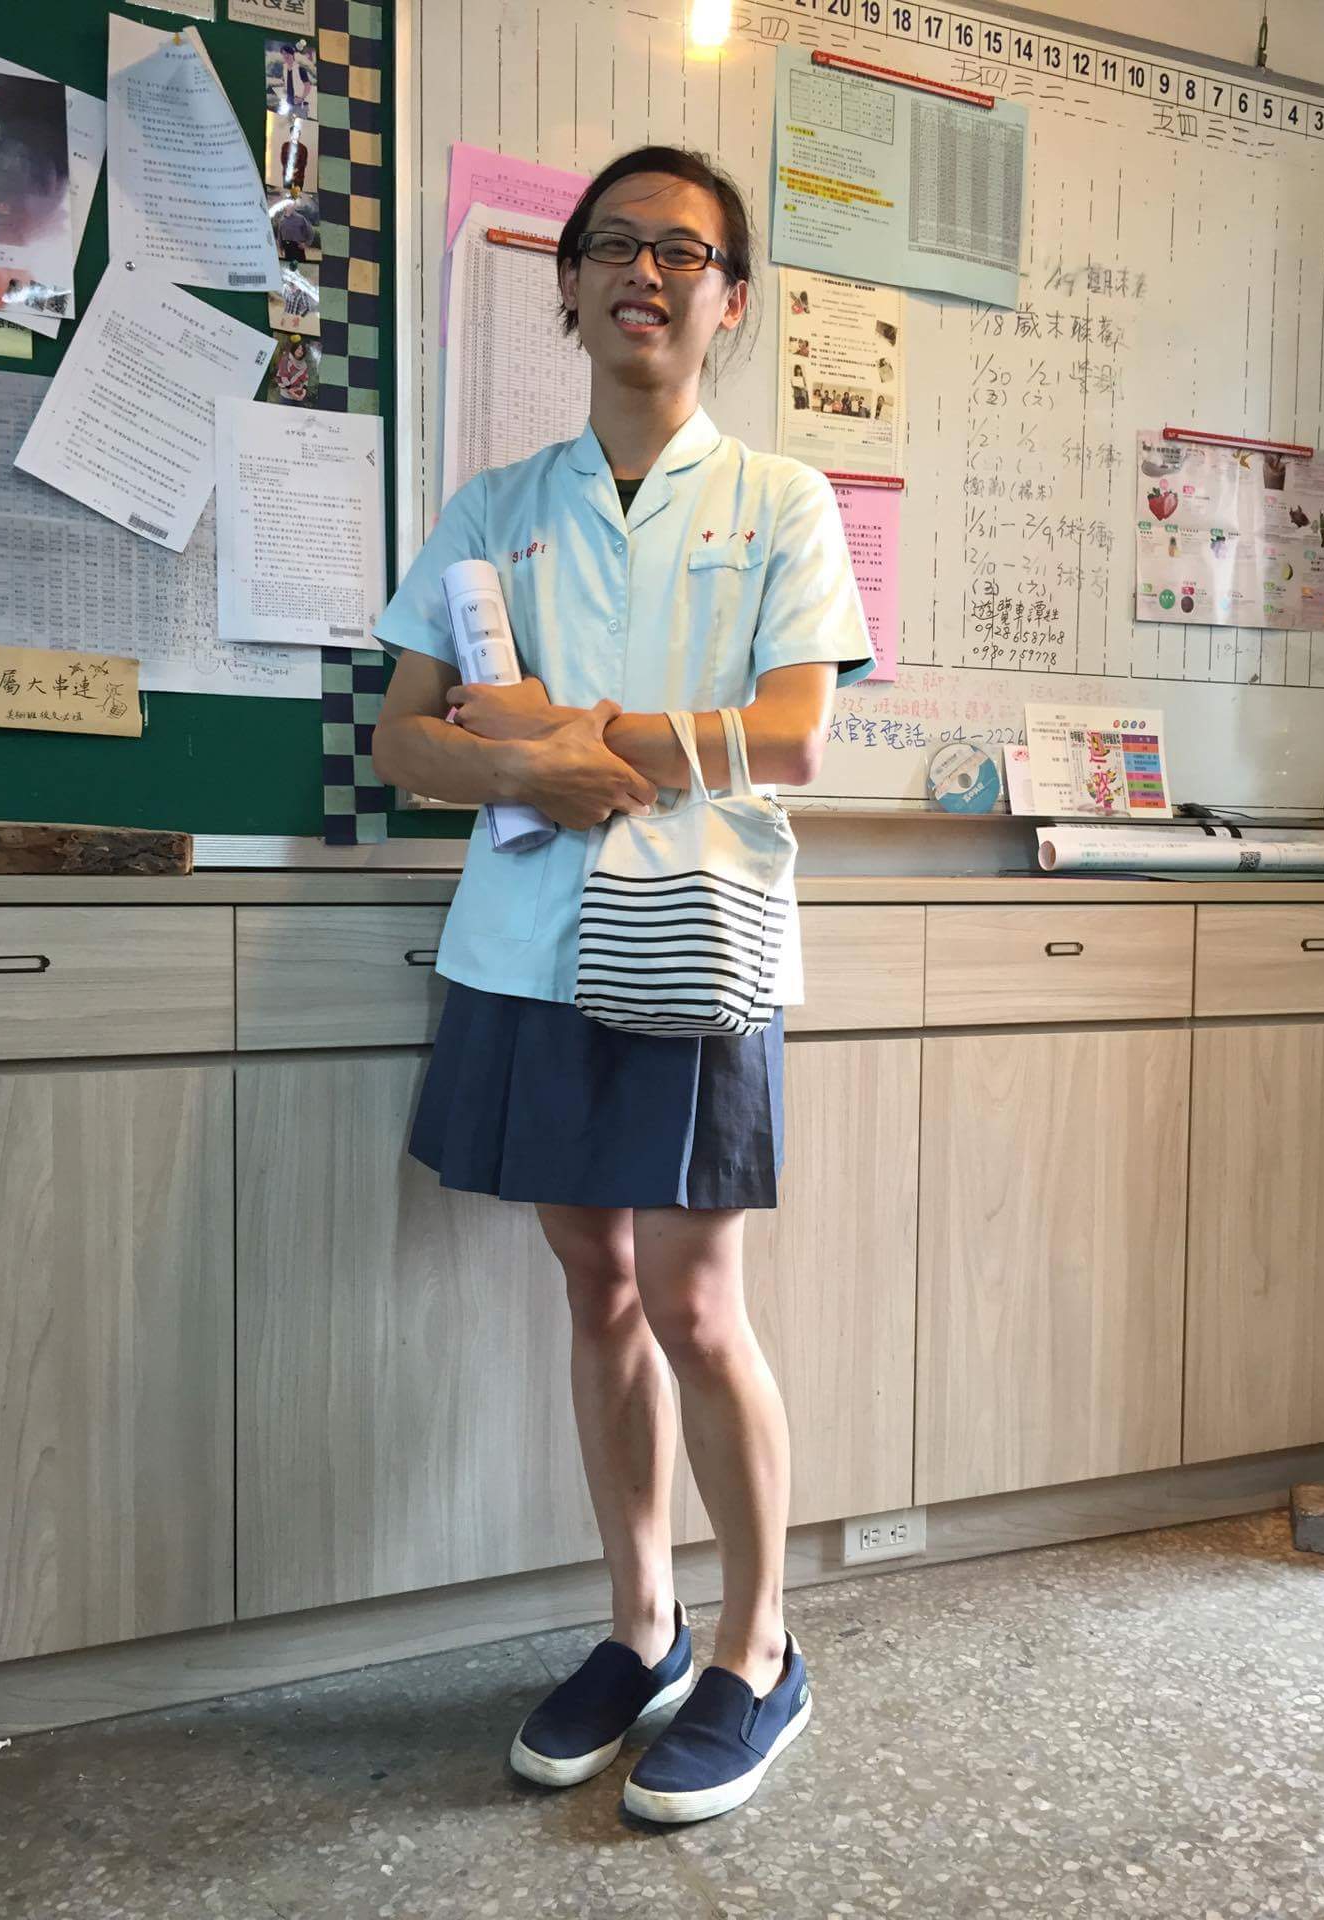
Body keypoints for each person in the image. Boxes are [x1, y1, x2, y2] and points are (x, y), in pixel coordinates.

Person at [370, 144, 872, 1826]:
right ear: (570, 283)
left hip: (693, 945)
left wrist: (576, 736)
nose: (645, 273)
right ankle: (642, 1627)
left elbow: (794, 734)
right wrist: (525, 763)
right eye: (614, 246)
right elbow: (407, 741)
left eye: (684, 252)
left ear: (730, 301)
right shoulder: (493, 508)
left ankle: (759, 1647)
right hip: (522, 943)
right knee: (594, 1287)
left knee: (694, 1302)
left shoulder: (780, 501)